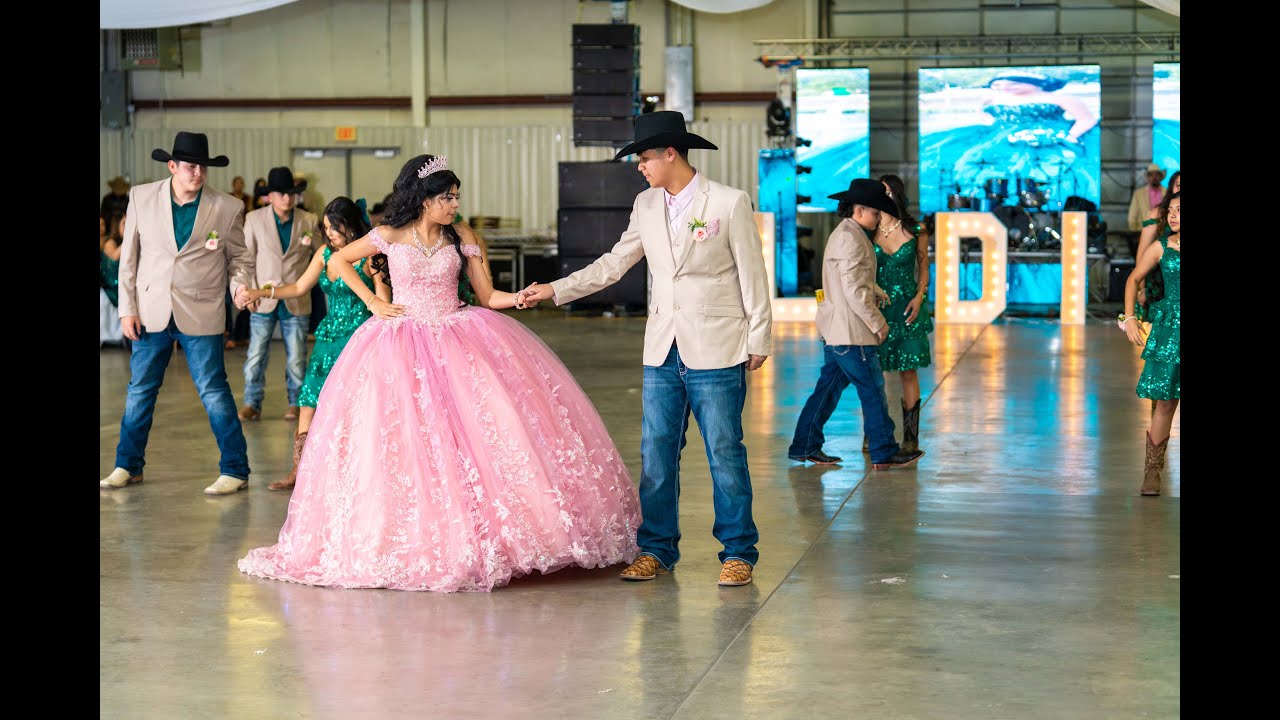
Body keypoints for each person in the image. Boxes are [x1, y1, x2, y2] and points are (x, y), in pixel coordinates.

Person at [237, 155, 640, 592]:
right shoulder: (388, 235)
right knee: (402, 440)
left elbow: (487, 296)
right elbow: (337, 263)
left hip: (459, 336)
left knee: (482, 436)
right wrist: (373, 303)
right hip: (400, 345)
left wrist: (522, 297)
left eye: (456, 196)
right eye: (448, 197)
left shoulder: (461, 235)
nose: (455, 204)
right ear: (424, 200)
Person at [519, 111, 773, 587]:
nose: (639, 165)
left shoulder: (729, 202)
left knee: (724, 451)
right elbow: (614, 264)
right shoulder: (645, 205)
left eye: (644, 157)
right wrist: (555, 290)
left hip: (718, 347)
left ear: (670, 153)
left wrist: (759, 337)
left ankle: (738, 551)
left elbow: (751, 275)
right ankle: (657, 548)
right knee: (656, 453)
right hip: (661, 349)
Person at [100, 131, 257, 495]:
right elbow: (129, 259)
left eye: (202, 166)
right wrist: (127, 309)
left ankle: (235, 468)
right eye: (190, 166)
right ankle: (127, 465)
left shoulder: (227, 207)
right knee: (140, 390)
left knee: (214, 390)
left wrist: (239, 287)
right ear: (172, 166)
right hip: (150, 311)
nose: (197, 173)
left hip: (201, 312)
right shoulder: (141, 198)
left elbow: (239, 259)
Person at [239, 197, 390, 491]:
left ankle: (354, 476)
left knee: (352, 408)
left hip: (357, 342)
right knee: (308, 401)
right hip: (326, 340)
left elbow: (383, 301)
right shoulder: (323, 253)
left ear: (350, 225)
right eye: (325, 227)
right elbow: (297, 287)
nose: (330, 233)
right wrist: (260, 290)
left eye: (335, 227)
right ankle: (299, 472)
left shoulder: (371, 255)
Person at [788, 178, 925, 470]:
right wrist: (879, 324)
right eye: (876, 213)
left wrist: (876, 290)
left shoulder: (849, 234)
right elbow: (854, 290)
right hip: (852, 333)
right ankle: (884, 450)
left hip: (838, 330)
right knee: (873, 390)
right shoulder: (851, 238)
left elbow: (852, 280)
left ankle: (804, 445)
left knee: (827, 390)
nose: (879, 219)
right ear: (860, 210)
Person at [925, 69, 1100, 211]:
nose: (1006, 86)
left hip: (1046, 142)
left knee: (1049, 172)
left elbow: (1086, 119)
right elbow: (982, 115)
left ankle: (1044, 207)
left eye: (1013, 82)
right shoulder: (992, 98)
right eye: (999, 83)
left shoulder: (1061, 98)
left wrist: (1069, 136)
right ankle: (989, 205)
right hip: (998, 142)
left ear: (1035, 82)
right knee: (973, 165)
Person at [239, 167, 319, 422]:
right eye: (282, 194)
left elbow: (321, 254)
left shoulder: (309, 220)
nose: (287, 198)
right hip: (262, 299)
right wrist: (248, 289)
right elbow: (245, 259)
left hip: (296, 298)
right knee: (255, 356)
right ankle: (252, 403)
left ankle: (296, 403)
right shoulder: (254, 219)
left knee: (297, 358)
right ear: (269, 196)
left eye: (292, 194)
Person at [866, 174, 933, 454]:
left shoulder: (916, 228)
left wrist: (920, 297)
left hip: (907, 308)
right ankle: (874, 433)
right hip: (876, 310)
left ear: (897, 194)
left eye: (887, 192)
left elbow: (924, 268)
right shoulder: (866, 229)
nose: (883, 196)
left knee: (908, 372)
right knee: (873, 375)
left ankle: (910, 438)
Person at [1120, 192, 1179, 496]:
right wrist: (1129, 318)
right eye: (1170, 210)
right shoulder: (1161, 247)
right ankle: (1152, 473)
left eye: (1180, 210)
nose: (1173, 215)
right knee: (1166, 402)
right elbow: (1133, 280)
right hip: (1170, 331)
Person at [1128, 163, 1167, 232]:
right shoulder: (1138, 194)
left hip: (1163, 232)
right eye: (1151, 175)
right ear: (1147, 177)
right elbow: (1132, 217)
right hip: (1143, 231)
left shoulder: (1167, 192)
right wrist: (1136, 233)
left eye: (1156, 175)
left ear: (1160, 177)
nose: (1154, 177)